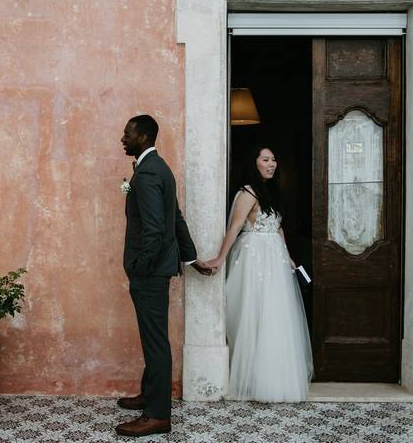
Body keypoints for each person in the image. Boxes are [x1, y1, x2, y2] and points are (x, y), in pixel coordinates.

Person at [116, 114, 212, 437]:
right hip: (159, 270)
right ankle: (149, 392)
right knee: (153, 336)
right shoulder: (161, 169)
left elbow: (157, 230)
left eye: (128, 134)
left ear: (143, 137)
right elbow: (176, 219)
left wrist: (141, 268)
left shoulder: (146, 175)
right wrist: (192, 257)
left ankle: (157, 415)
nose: (122, 138)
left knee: (155, 341)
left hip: (150, 273)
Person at [202, 145, 314, 402]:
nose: (272, 163)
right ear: (254, 163)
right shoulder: (248, 192)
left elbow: (278, 227)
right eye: (266, 159)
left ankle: (274, 379)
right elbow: (235, 226)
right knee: (254, 314)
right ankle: (251, 379)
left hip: (274, 258)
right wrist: (220, 257)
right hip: (254, 258)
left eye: (274, 159)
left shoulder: (271, 192)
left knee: (275, 317)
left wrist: (288, 257)